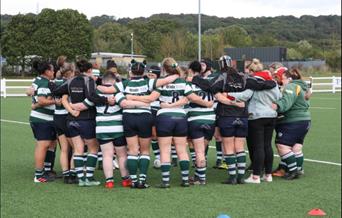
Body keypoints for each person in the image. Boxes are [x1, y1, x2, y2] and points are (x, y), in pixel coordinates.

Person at [126, 57, 214, 188]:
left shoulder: (161, 83)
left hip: (164, 118)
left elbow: (150, 98)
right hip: (181, 118)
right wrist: (206, 103)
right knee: (182, 150)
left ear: (163, 69)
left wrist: (131, 97)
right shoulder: (184, 82)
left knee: (165, 150)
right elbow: (191, 97)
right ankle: (185, 180)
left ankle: (165, 181)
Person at [50, 59, 115, 187]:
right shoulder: (89, 80)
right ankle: (88, 178)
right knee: (93, 148)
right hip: (86, 119)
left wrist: (65, 95)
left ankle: (80, 179)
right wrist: (106, 100)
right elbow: (91, 97)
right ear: (89, 70)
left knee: (78, 149)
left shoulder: (71, 81)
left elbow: (56, 91)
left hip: (71, 120)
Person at [227, 59, 281, 184]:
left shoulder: (253, 81)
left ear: (252, 71)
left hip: (256, 116)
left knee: (258, 147)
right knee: (267, 145)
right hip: (271, 115)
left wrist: (227, 94)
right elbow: (279, 97)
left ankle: (256, 176)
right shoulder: (272, 81)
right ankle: (268, 175)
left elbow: (244, 96)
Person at [271, 68, 311, 180]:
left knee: (282, 146)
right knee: (296, 148)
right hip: (305, 120)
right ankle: (298, 168)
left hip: (294, 121)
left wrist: (276, 105)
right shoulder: (301, 86)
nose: (279, 81)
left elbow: (286, 103)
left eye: (280, 78)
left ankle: (293, 171)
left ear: (286, 77)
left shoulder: (291, 86)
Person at [29, 60, 57, 183]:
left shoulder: (40, 81)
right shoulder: (44, 83)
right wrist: (55, 101)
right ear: (47, 71)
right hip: (42, 119)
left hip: (45, 119)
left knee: (52, 144)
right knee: (43, 145)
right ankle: (38, 175)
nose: (54, 71)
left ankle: (47, 170)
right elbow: (41, 101)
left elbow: (30, 92)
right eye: (52, 70)